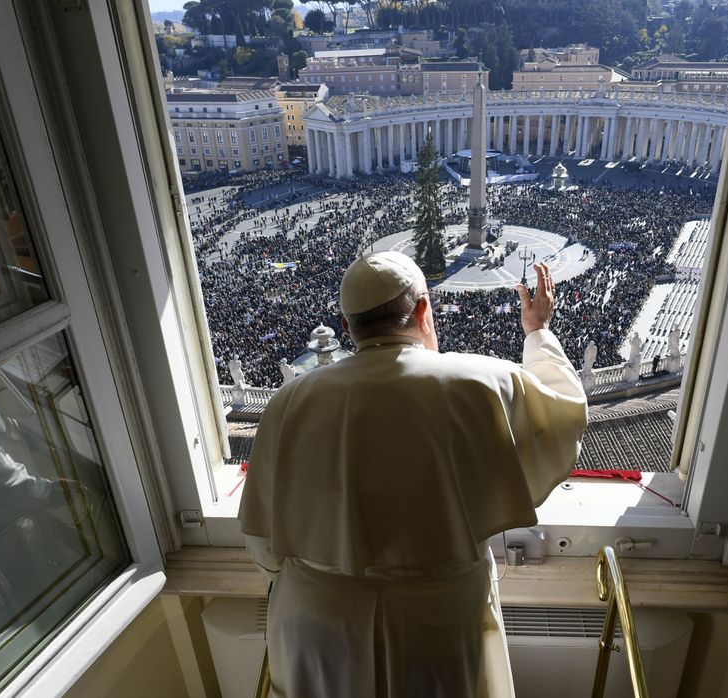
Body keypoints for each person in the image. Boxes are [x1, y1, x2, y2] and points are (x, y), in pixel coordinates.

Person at [239, 251, 588, 697]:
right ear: (423, 309)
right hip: (434, 626)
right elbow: (565, 413)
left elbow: (264, 543)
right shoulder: (480, 382)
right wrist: (537, 332)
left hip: (318, 626)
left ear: (348, 328)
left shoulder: (289, 402)